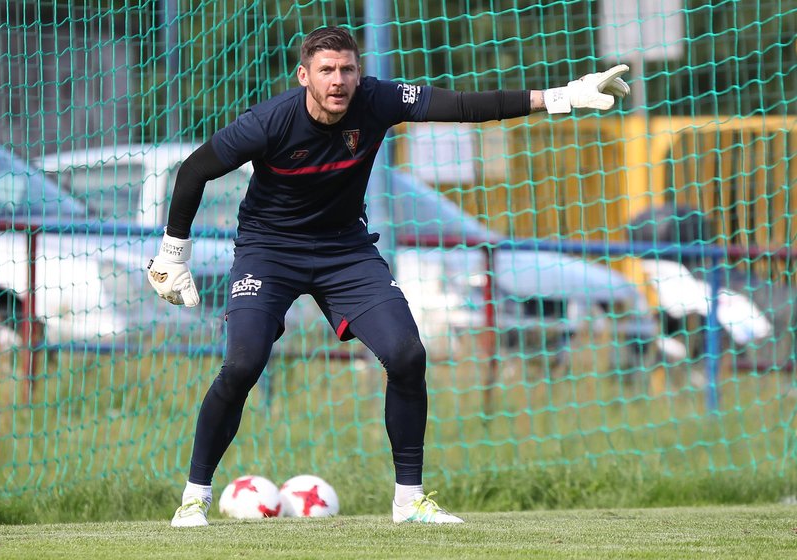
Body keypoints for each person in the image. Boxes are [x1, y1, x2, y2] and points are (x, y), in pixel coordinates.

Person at [147, 26, 630, 527]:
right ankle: (194, 499)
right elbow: (194, 169)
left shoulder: (377, 99)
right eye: (326, 70)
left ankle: (409, 500)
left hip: (345, 251)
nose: (339, 80)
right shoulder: (269, 121)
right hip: (270, 252)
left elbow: (464, 106)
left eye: (348, 69)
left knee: (406, 354)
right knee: (243, 362)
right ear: (303, 76)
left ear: (359, 72)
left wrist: (561, 96)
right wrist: (173, 254)